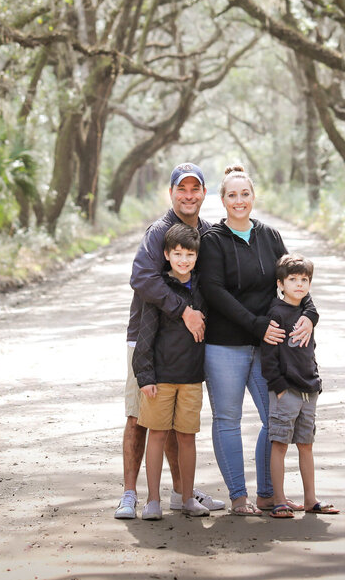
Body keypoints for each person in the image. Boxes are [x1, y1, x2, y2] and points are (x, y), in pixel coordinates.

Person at [197, 164, 317, 516]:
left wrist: (309, 313)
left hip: (269, 346)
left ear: (253, 197)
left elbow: (292, 279)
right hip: (225, 345)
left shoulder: (269, 236)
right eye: (232, 195)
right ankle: (238, 496)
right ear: (221, 200)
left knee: (274, 418)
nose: (239, 201)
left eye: (245, 194)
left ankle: (267, 493)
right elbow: (214, 291)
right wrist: (256, 324)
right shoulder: (212, 241)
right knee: (227, 420)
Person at [115, 163, 224, 520]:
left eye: (195, 190)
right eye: (182, 190)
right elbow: (142, 278)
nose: (189, 196)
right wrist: (185, 311)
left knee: (180, 423)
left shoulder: (207, 235)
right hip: (146, 340)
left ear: (204, 194)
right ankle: (131, 494)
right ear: (172, 193)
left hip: (188, 345)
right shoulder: (159, 232)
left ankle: (182, 492)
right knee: (139, 416)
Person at [133, 223, 211, 520]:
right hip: (160, 380)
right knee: (157, 435)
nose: (183, 260)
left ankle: (187, 498)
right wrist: (146, 376)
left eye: (189, 254)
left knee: (187, 438)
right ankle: (153, 500)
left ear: (196, 257)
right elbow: (145, 336)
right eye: (177, 254)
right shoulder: (159, 291)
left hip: (191, 378)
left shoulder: (202, 289)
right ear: (166, 255)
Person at [261, 253, 339, 518]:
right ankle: (279, 499)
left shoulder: (307, 315)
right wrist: (280, 387)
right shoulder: (276, 313)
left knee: (306, 445)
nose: (299, 284)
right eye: (292, 279)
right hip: (287, 392)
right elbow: (269, 356)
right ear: (280, 284)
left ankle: (310, 499)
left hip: (309, 390)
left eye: (304, 280)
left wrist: (314, 379)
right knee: (280, 444)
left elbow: (309, 350)